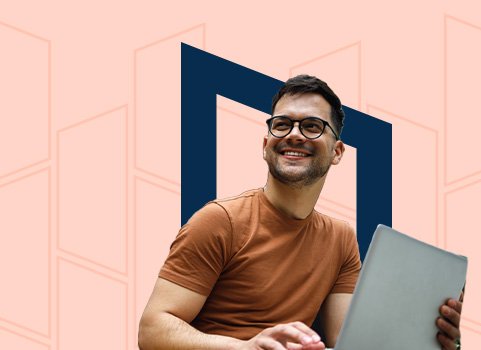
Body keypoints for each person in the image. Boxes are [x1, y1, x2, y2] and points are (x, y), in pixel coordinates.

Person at [138, 75, 463, 350]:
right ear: (266, 144)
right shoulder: (220, 221)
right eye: (282, 125)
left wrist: (430, 339)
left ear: (337, 152)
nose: (294, 134)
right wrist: (247, 347)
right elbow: (152, 329)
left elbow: (346, 341)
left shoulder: (341, 239)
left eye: (311, 126)